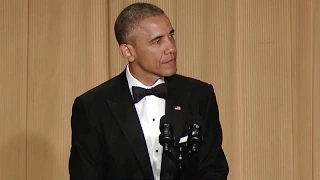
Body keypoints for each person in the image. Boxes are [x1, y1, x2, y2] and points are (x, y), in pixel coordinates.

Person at [69, 2, 229, 180]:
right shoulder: (92, 107)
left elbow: (214, 170)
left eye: (171, 36)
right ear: (128, 52)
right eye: (157, 41)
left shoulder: (199, 95)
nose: (171, 49)